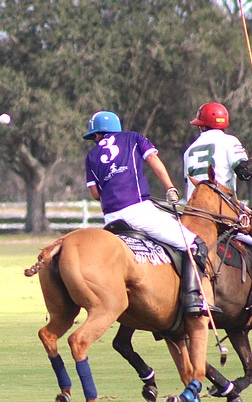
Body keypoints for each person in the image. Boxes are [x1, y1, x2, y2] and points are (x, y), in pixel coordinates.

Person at [83, 110, 219, 316]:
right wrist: (170, 188)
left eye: (94, 136)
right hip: (139, 211)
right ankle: (194, 299)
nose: (95, 140)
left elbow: (95, 194)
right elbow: (154, 161)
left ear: (97, 134)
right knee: (195, 243)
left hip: (111, 220)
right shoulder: (133, 138)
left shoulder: (91, 155)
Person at [183, 102, 252, 315]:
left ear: (201, 126)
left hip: (192, 215)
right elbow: (246, 171)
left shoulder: (189, 149)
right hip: (223, 213)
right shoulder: (229, 142)